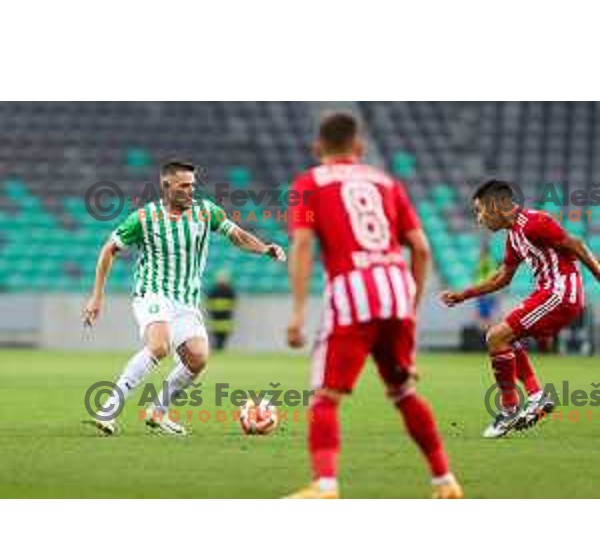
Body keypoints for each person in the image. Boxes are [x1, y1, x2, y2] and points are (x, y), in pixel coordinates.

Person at [286, 112, 462, 499]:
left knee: (324, 396)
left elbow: (302, 243)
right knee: (403, 392)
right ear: (360, 148)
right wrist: (410, 307)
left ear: (318, 148)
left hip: (352, 295)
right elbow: (421, 248)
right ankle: (444, 479)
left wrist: (298, 312)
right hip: (396, 291)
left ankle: (325, 484)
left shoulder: (308, 185)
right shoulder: (387, 183)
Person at [83, 160, 286, 435]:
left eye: (193, 185)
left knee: (198, 358)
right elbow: (109, 249)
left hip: (185, 301)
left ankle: (158, 412)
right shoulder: (145, 218)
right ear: (167, 187)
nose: (191, 190)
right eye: (184, 186)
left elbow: (236, 235)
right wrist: (97, 297)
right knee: (159, 346)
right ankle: (108, 410)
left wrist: (264, 249)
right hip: (152, 292)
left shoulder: (205, 212)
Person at [441, 179, 600, 438]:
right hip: (549, 293)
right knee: (505, 338)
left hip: (560, 293)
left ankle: (510, 409)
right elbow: (500, 279)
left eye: (480, 211)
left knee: (496, 336)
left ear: (495, 206)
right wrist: (463, 295)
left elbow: (577, 245)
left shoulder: (535, 222)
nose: (479, 219)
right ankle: (536, 396)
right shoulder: (514, 237)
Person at [206, 271, 237, 351]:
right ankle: (218, 347)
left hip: (223, 318)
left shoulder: (228, 290)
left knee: (222, 337)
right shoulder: (215, 290)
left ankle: (219, 348)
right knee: (217, 336)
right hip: (217, 318)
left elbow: (233, 302)